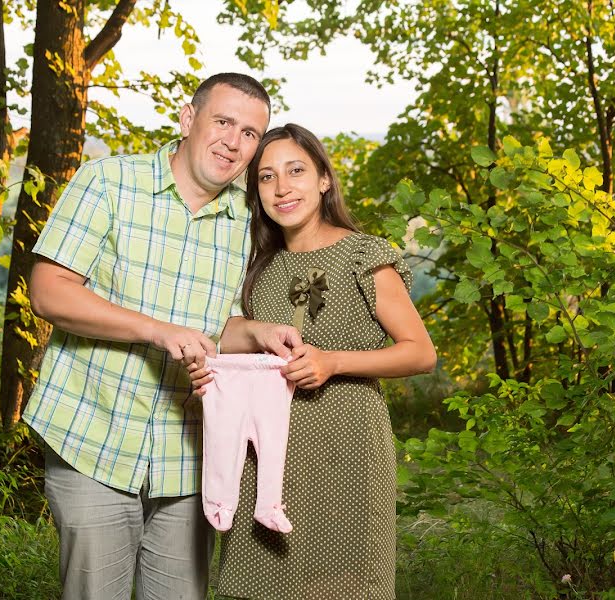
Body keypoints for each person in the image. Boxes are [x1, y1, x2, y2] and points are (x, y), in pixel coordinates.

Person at [23, 73, 301, 600]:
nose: (233, 141)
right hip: (93, 437)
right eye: (222, 121)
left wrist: (259, 332)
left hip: (190, 459)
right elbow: (49, 291)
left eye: (249, 133)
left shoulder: (247, 220)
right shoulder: (107, 181)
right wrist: (156, 331)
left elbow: (218, 326)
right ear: (187, 118)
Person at [188, 123, 437, 599]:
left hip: (348, 450)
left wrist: (332, 362)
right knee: (258, 585)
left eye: (296, 171)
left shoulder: (364, 255)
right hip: (264, 460)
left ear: (324, 179)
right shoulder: (258, 265)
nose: (282, 188)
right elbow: (232, 336)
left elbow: (420, 352)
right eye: (266, 177)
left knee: (345, 585)